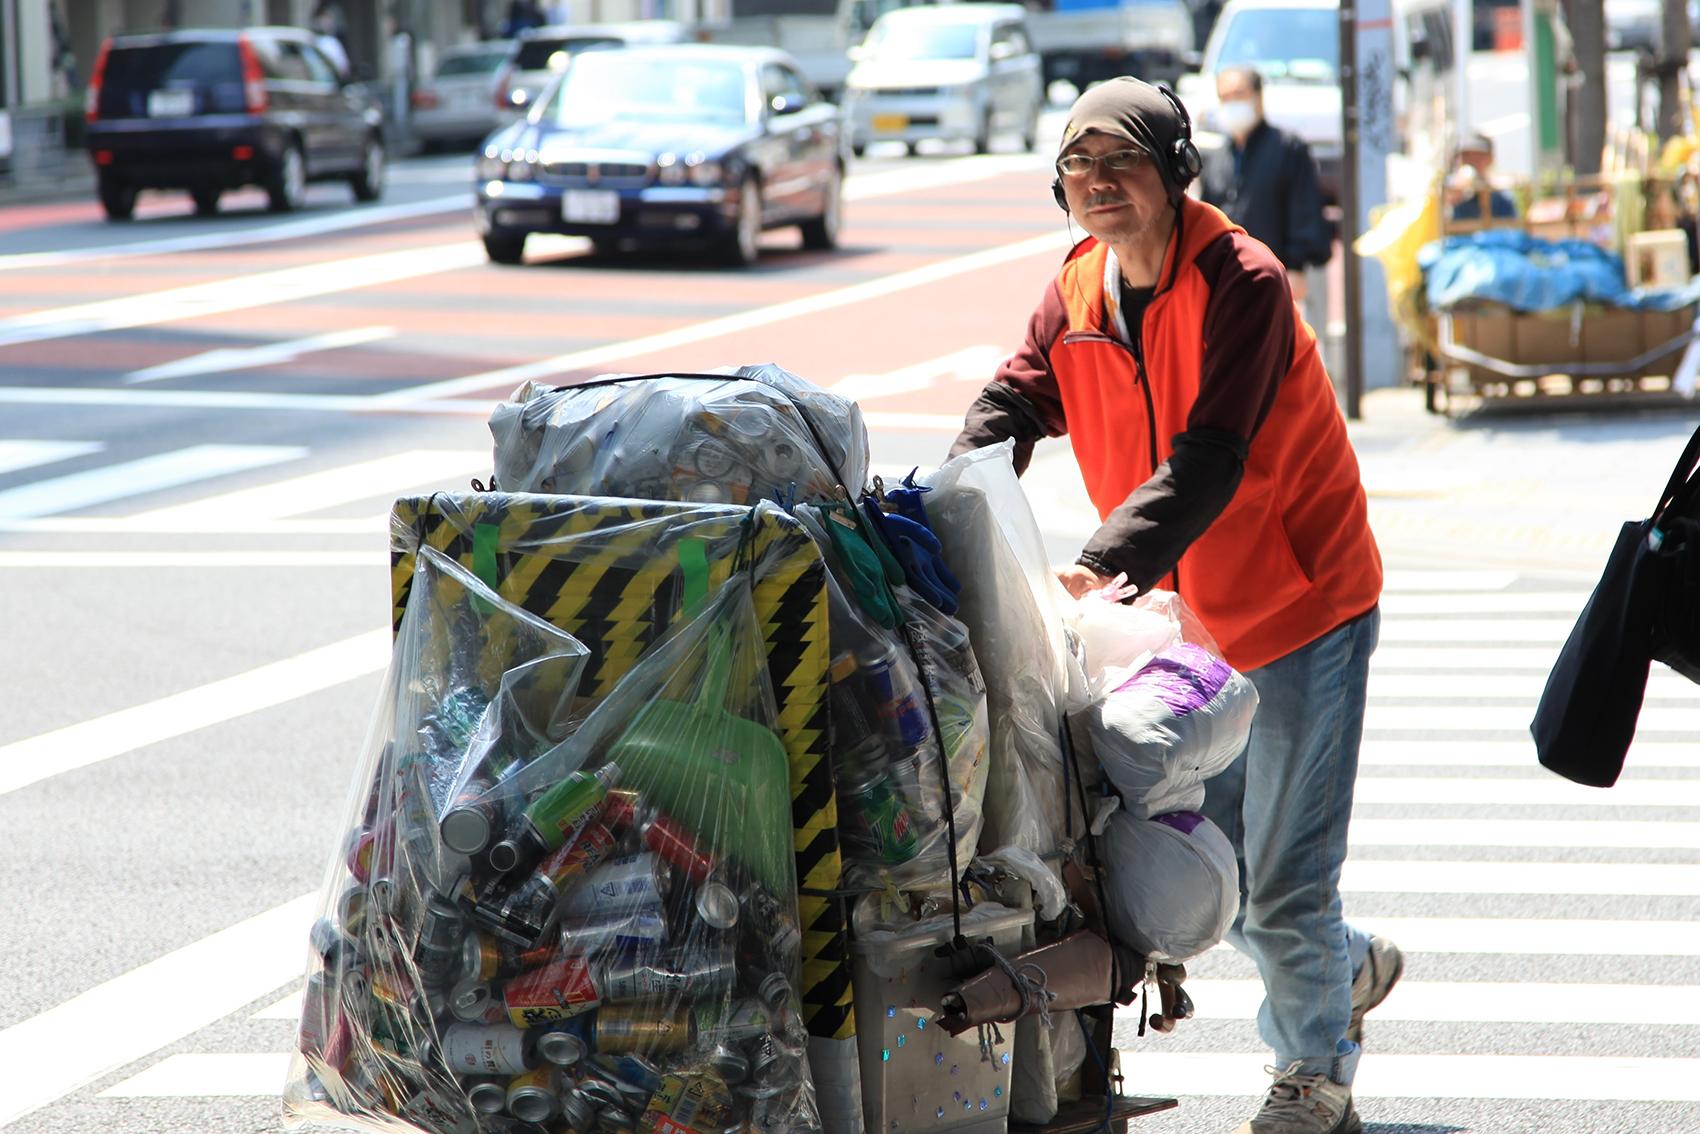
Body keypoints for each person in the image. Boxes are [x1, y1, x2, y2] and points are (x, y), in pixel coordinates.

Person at [949, 77, 1402, 1134]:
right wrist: (945, 500)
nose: (1097, 183)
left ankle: (1312, 1077)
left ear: (1172, 171)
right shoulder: (1077, 289)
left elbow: (1211, 456)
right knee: (1217, 869)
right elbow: (1018, 398)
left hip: (1300, 604)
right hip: (1187, 624)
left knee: (1285, 877)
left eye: (1122, 161)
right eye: (1076, 165)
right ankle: (1339, 969)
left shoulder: (1238, 277)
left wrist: (1096, 565)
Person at [1198, 65, 1333, 302]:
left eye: (1238, 95)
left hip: (1281, 277)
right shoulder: (1218, 158)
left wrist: (1296, 266)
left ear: (1258, 98)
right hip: (1232, 280)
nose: (1231, 103)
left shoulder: (1288, 148)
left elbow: (1304, 209)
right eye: (1224, 97)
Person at [1445, 131, 1517, 221]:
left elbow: (1510, 226)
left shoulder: (1501, 195)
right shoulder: (1448, 185)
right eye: (1466, 155)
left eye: (1478, 156)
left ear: (1490, 158)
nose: (1471, 160)